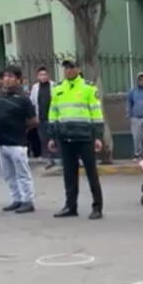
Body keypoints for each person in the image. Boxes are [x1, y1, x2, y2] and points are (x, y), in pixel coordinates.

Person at [48, 60, 104, 220]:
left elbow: (96, 113)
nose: (68, 70)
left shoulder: (88, 88)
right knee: (69, 174)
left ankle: (97, 207)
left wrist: (98, 137)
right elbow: (53, 113)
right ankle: (70, 206)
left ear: (78, 69)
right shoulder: (58, 88)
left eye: (71, 67)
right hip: (65, 137)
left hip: (85, 136)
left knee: (91, 173)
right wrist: (52, 136)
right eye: (66, 68)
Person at [0, 66, 37, 214]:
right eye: (5, 77)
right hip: (1, 142)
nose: (6, 80)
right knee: (8, 174)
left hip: (17, 142)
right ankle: (16, 198)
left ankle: (27, 200)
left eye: (10, 77)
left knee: (22, 173)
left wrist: (21, 129)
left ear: (18, 80)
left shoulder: (23, 99)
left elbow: (33, 120)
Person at [30, 66, 57, 169]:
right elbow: (32, 102)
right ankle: (49, 159)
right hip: (41, 118)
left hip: (53, 118)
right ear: (37, 76)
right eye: (41, 75)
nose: (43, 77)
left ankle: (56, 158)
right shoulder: (35, 87)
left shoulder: (54, 86)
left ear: (48, 75)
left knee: (53, 138)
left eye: (45, 74)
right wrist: (34, 116)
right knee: (44, 139)